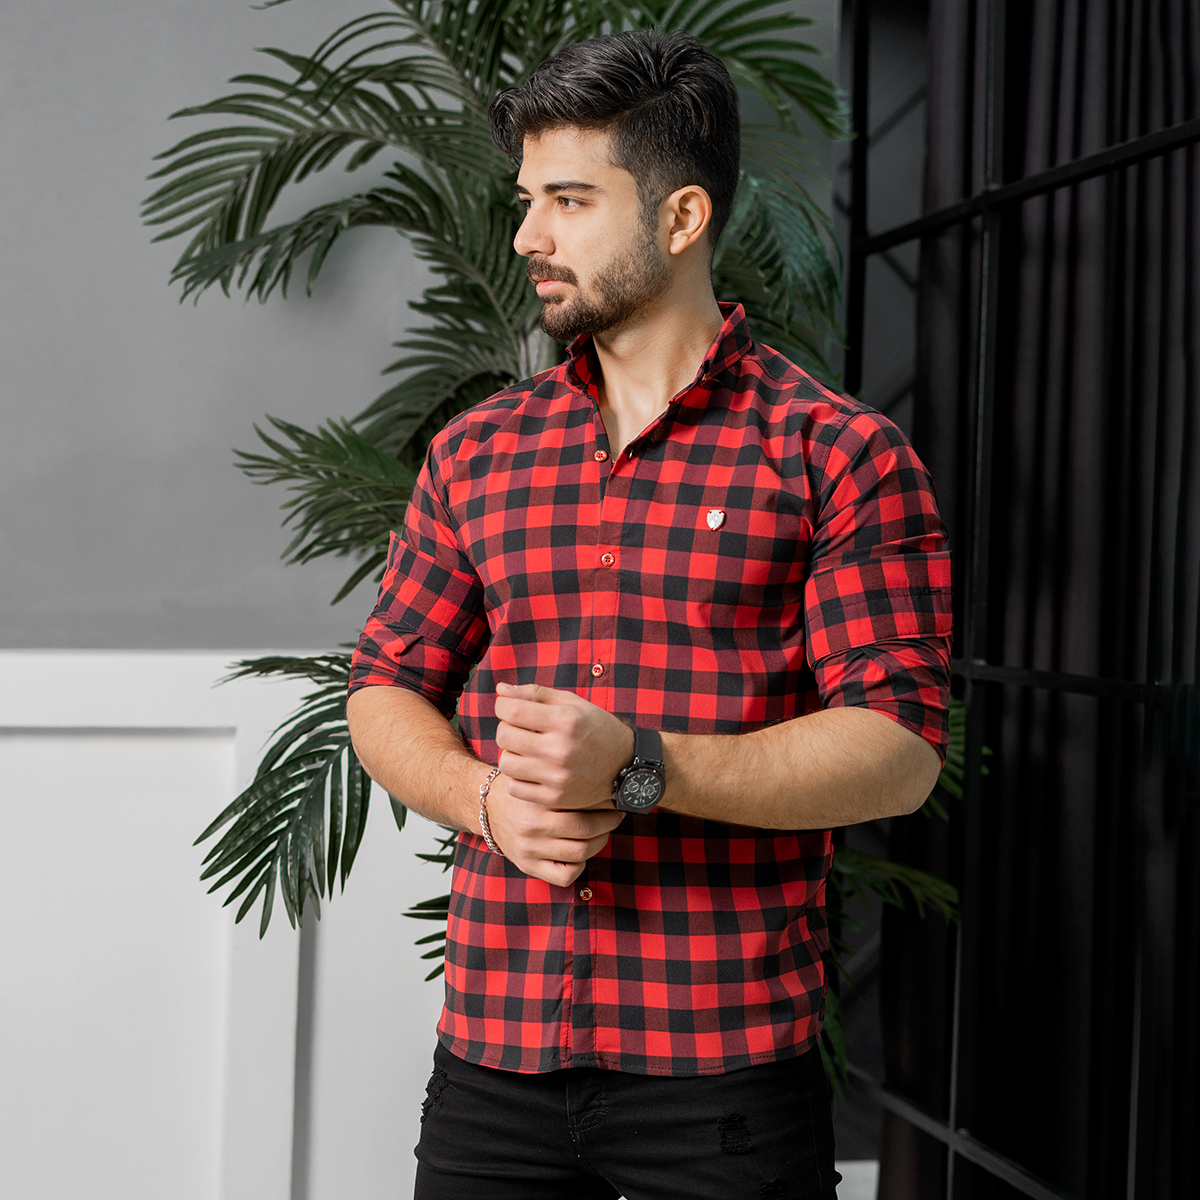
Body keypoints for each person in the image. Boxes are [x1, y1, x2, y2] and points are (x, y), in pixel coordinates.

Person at [346, 28, 951, 1200]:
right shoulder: (477, 453)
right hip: (493, 1065)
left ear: (681, 218)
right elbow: (382, 688)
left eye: (570, 201)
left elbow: (898, 752)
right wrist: (484, 800)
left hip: (725, 1081)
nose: (528, 237)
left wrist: (638, 770)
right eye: (527, 201)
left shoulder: (838, 454)